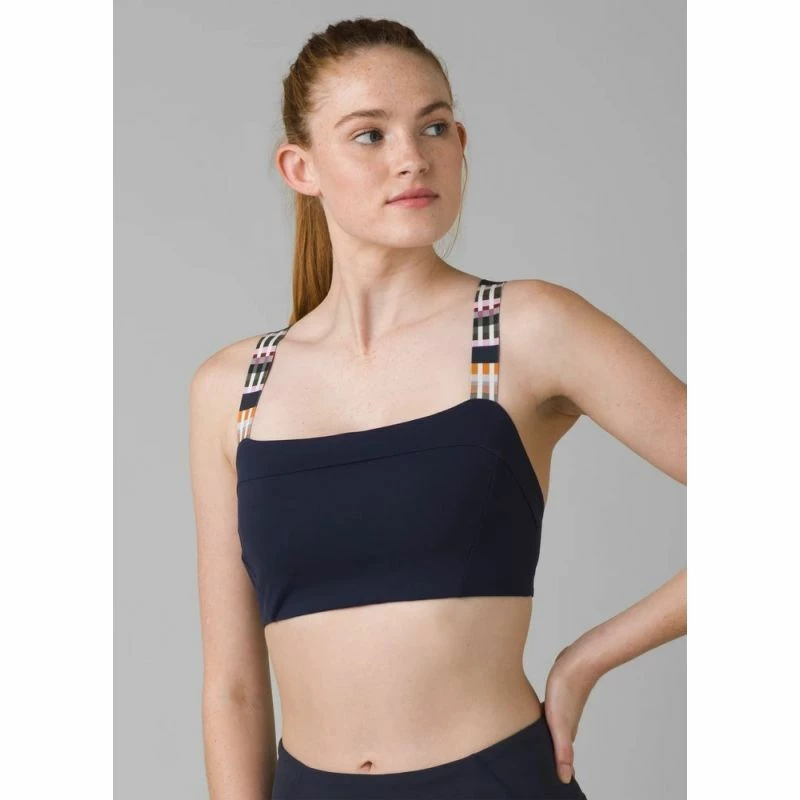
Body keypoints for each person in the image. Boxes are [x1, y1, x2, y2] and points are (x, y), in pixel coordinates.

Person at [189, 17, 686, 800]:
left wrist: (586, 659)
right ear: (300, 167)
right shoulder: (233, 388)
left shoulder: (527, 330)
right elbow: (233, 688)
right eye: (370, 134)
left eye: (434, 126)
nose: (412, 157)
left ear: (460, 141)